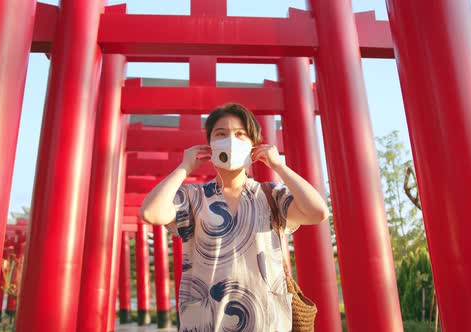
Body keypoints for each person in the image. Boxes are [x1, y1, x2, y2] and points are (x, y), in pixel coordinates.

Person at [140, 103, 329, 331]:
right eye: (221, 134)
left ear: (253, 146)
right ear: (210, 144)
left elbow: (317, 212)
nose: (230, 140)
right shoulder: (192, 196)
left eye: (241, 134)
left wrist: (278, 165)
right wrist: (184, 168)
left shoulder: (271, 195)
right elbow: (151, 213)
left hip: (265, 320)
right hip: (205, 321)